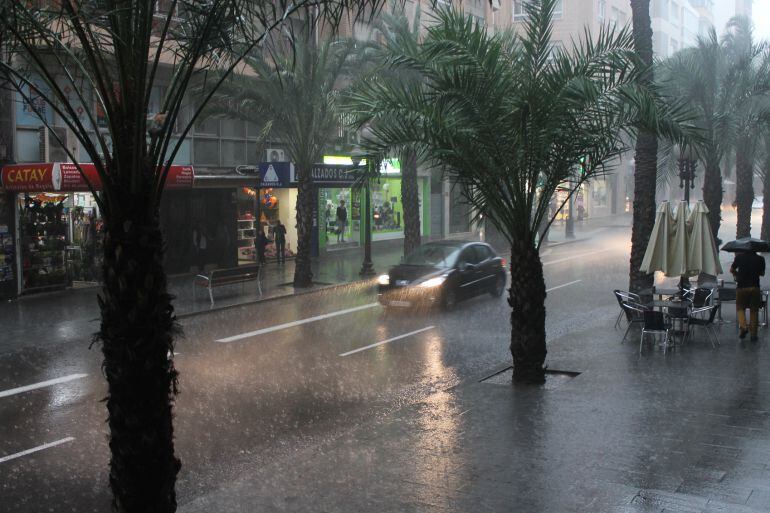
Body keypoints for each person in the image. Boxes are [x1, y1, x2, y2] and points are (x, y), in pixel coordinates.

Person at [730, 249, 765, 341]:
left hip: (742, 287)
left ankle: (744, 327)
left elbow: (731, 269)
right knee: (754, 311)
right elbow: (762, 273)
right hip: (755, 287)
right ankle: (753, 335)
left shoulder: (739, 257)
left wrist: (737, 274)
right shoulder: (761, 259)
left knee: (740, 308)